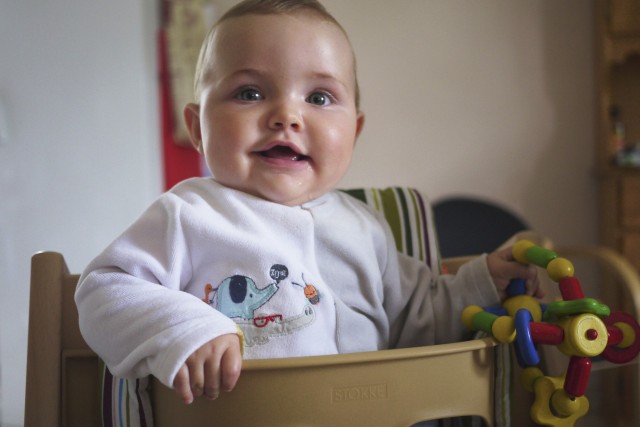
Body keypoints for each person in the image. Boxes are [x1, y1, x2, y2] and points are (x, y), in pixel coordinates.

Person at [75, 0, 541, 407]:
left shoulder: (366, 229)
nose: (287, 116)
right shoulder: (189, 214)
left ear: (353, 133)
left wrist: (483, 282)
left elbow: (422, 317)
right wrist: (187, 329)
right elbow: (104, 290)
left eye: (319, 97)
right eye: (249, 93)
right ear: (199, 129)